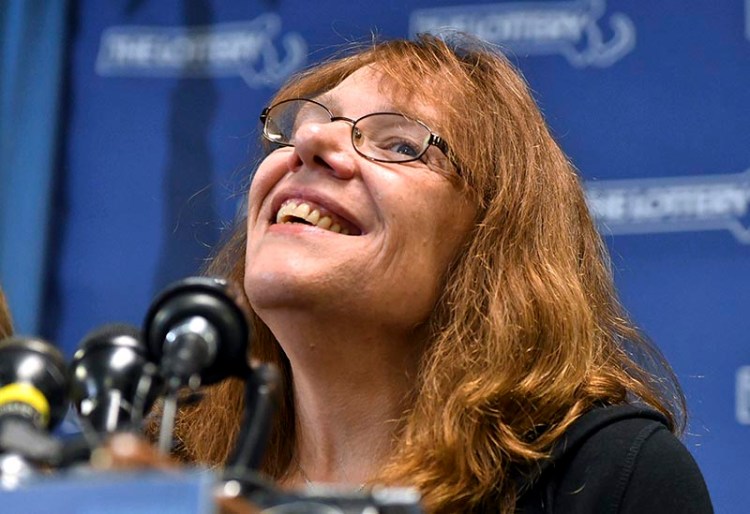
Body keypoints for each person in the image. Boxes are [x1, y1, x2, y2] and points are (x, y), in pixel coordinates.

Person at [165, 34, 713, 513]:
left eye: (400, 144)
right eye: (303, 126)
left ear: (491, 243)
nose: (309, 142)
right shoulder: (167, 468)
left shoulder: (606, 479)